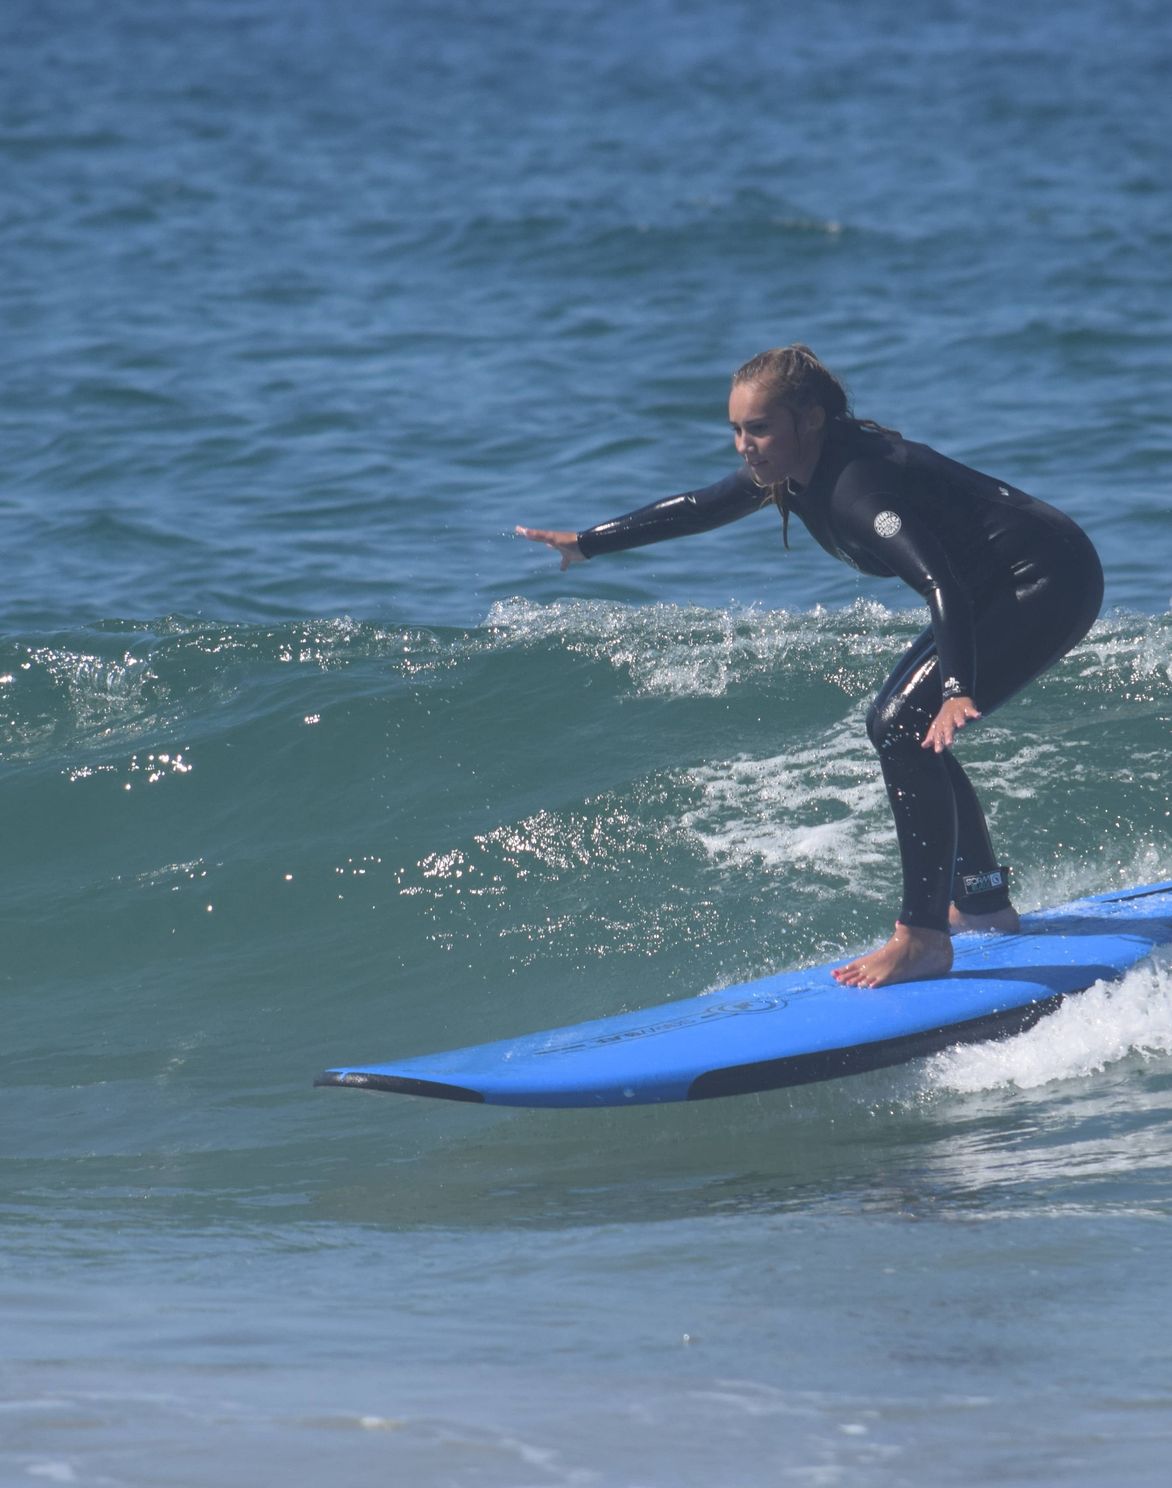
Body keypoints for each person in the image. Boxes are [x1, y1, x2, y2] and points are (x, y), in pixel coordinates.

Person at [517, 344, 1103, 988]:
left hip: (1044, 579)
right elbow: (701, 506)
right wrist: (587, 543)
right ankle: (984, 904)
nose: (745, 445)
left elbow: (941, 584)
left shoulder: (857, 489)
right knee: (898, 729)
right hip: (993, 586)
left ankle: (924, 939)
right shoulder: (791, 471)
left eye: (760, 428)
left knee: (903, 727)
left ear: (812, 419)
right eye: (737, 429)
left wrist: (958, 688)